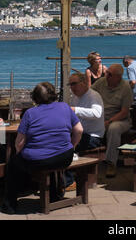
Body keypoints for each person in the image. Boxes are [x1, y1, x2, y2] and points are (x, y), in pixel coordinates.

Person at [1, 82, 83, 214]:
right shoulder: (65, 107)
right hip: (64, 157)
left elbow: (19, 143)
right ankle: (54, 194)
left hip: (38, 160)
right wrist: (71, 146)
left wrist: (20, 154)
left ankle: (9, 205)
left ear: (35, 98)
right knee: (43, 160)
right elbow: (79, 130)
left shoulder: (30, 113)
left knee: (13, 164)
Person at [64, 72, 105, 190]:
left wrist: (75, 109)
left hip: (93, 136)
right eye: (70, 84)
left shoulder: (93, 96)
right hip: (80, 133)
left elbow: (97, 113)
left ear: (83, 83)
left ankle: (69, 181)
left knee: (68, 147)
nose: (71, 87)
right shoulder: (75, 97)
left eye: (74, 84)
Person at [91, 64, 133, 178]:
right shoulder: (101, 82)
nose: (106, 75)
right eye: (107, 72)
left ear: (118, 77)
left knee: (114, 128)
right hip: (101, 117)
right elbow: (89, 93)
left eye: (110, 74)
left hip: (120, 119)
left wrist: (108, 121)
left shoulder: (125, 87)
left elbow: (124, 112)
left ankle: (111, 163)